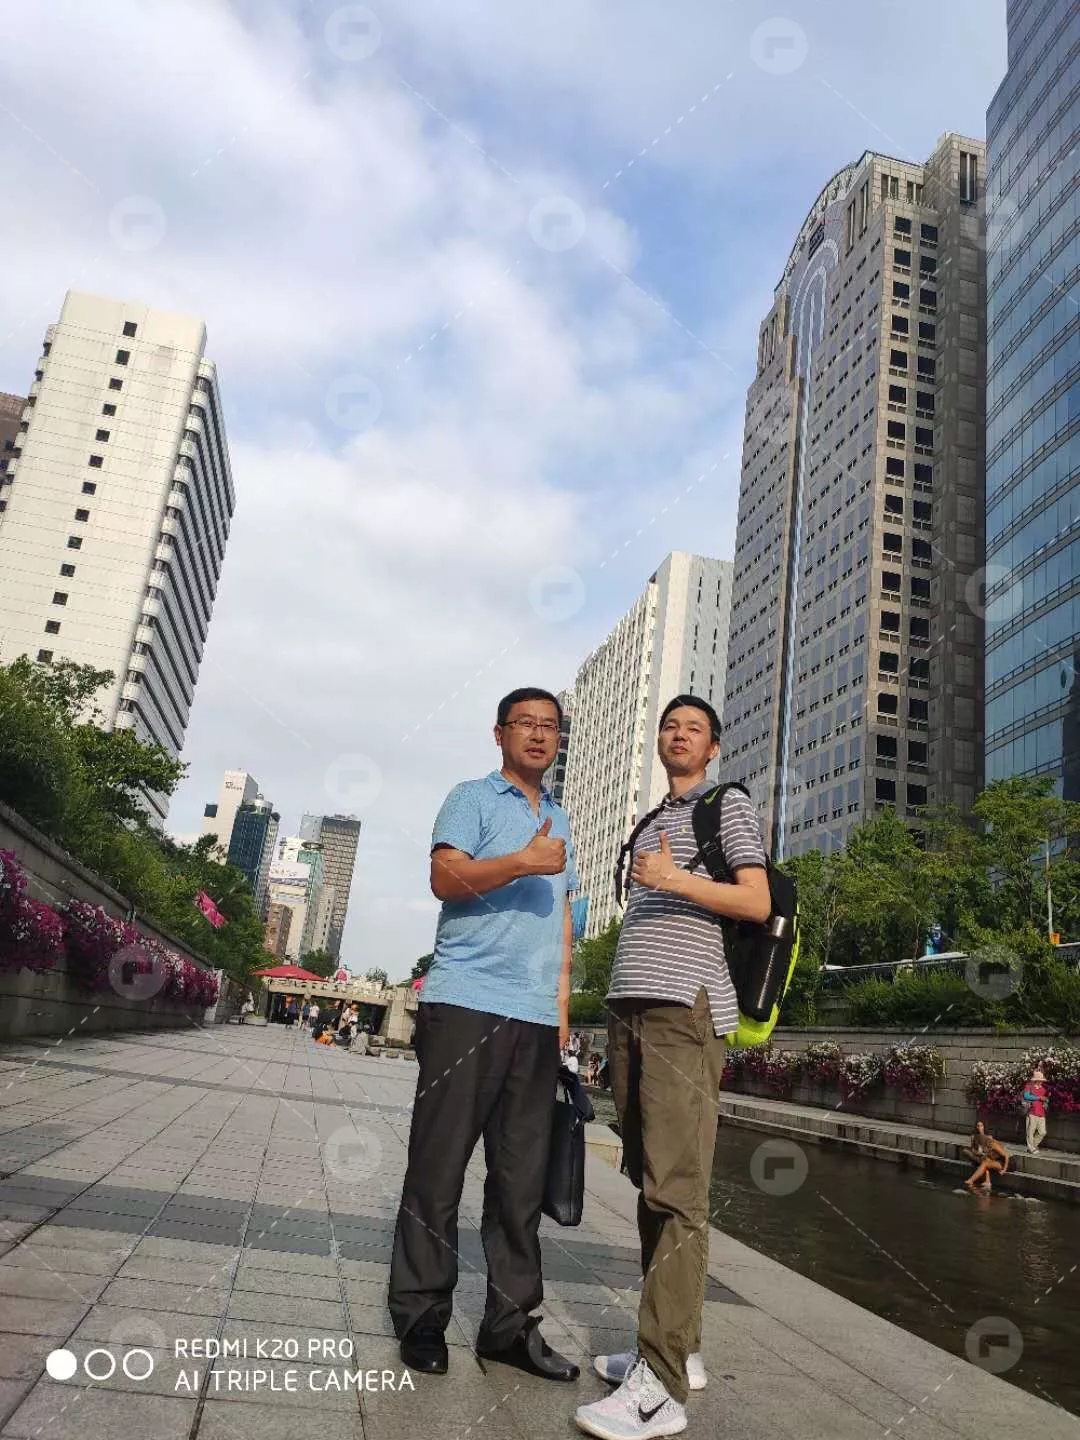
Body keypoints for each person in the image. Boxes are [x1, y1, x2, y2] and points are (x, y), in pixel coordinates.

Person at [576, 695, 770, 1440]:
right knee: (652, 1185)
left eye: (693, 729)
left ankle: (660, 1391)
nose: (679, 735)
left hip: (683, 1012)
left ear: (713, 747)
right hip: (632, 1010)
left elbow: (754, 901)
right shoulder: (653, 817)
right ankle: (672, 1349)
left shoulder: (728, 807)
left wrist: (674, 879)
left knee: (677, 1192)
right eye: (669, 726)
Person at [388, 688, 580, 1383]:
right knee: (438, 1170)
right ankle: (421, 1318)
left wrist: (561, 1016)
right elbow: (445, 877)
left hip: (536, 1021)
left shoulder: (561, 817)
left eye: (550, 726)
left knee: (520, 1187)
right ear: (500, 734)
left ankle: (509, 1328)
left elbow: (563, 920)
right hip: (465, 1004)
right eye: (526, 723)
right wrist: (522, 862)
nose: (539, 734)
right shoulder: (469, 798)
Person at [964, 1121, 1009, 1190]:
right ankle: (986, 1181)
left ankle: (971, 1180)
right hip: (995, 1161)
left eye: (981, 1126)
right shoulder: (984, 1145)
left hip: (1004, 1163)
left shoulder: (993, 1144)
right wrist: (979, 1153)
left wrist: (1004, 1170)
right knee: (984, 1161)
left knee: (984, 1162)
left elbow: (1006, 1156)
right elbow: (975, 1149)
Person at [1023, 1068, 1048, 1152]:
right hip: (1032, 1112)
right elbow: (1026, 1096)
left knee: (1042, 1132)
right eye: (1039, 1080)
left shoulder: (1043, 1089)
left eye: (1041, 1080)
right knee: (1030, 1131)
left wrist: (1045, 1101)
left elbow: (1044, 1099)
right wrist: (1039, 1098)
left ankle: (1032, 1145)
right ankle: (1031, 1148)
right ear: (1035, 1080)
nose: (1041, 1082)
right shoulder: (1029, 1086)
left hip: (1041, 1113)